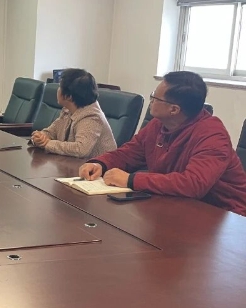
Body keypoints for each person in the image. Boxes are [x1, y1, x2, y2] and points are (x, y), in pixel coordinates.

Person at [78, 71, 246, 216]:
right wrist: (101, 163)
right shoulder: (158, 124)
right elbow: (129, 153)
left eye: (155, 97)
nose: (151, 101)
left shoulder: (213, 135)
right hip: (178, 206)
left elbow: (193, 184)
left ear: (174, 109)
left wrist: (131, 180)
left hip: (225, 216)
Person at [30, 68, 116, 158]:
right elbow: (52, 132)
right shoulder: (68, 110)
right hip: (70, 163)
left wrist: (48, 143)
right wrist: (40, 137)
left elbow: (80, 149)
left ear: (69, 97)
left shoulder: (92, 117)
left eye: (60, 86)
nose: (57, 90)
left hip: (97, 166)